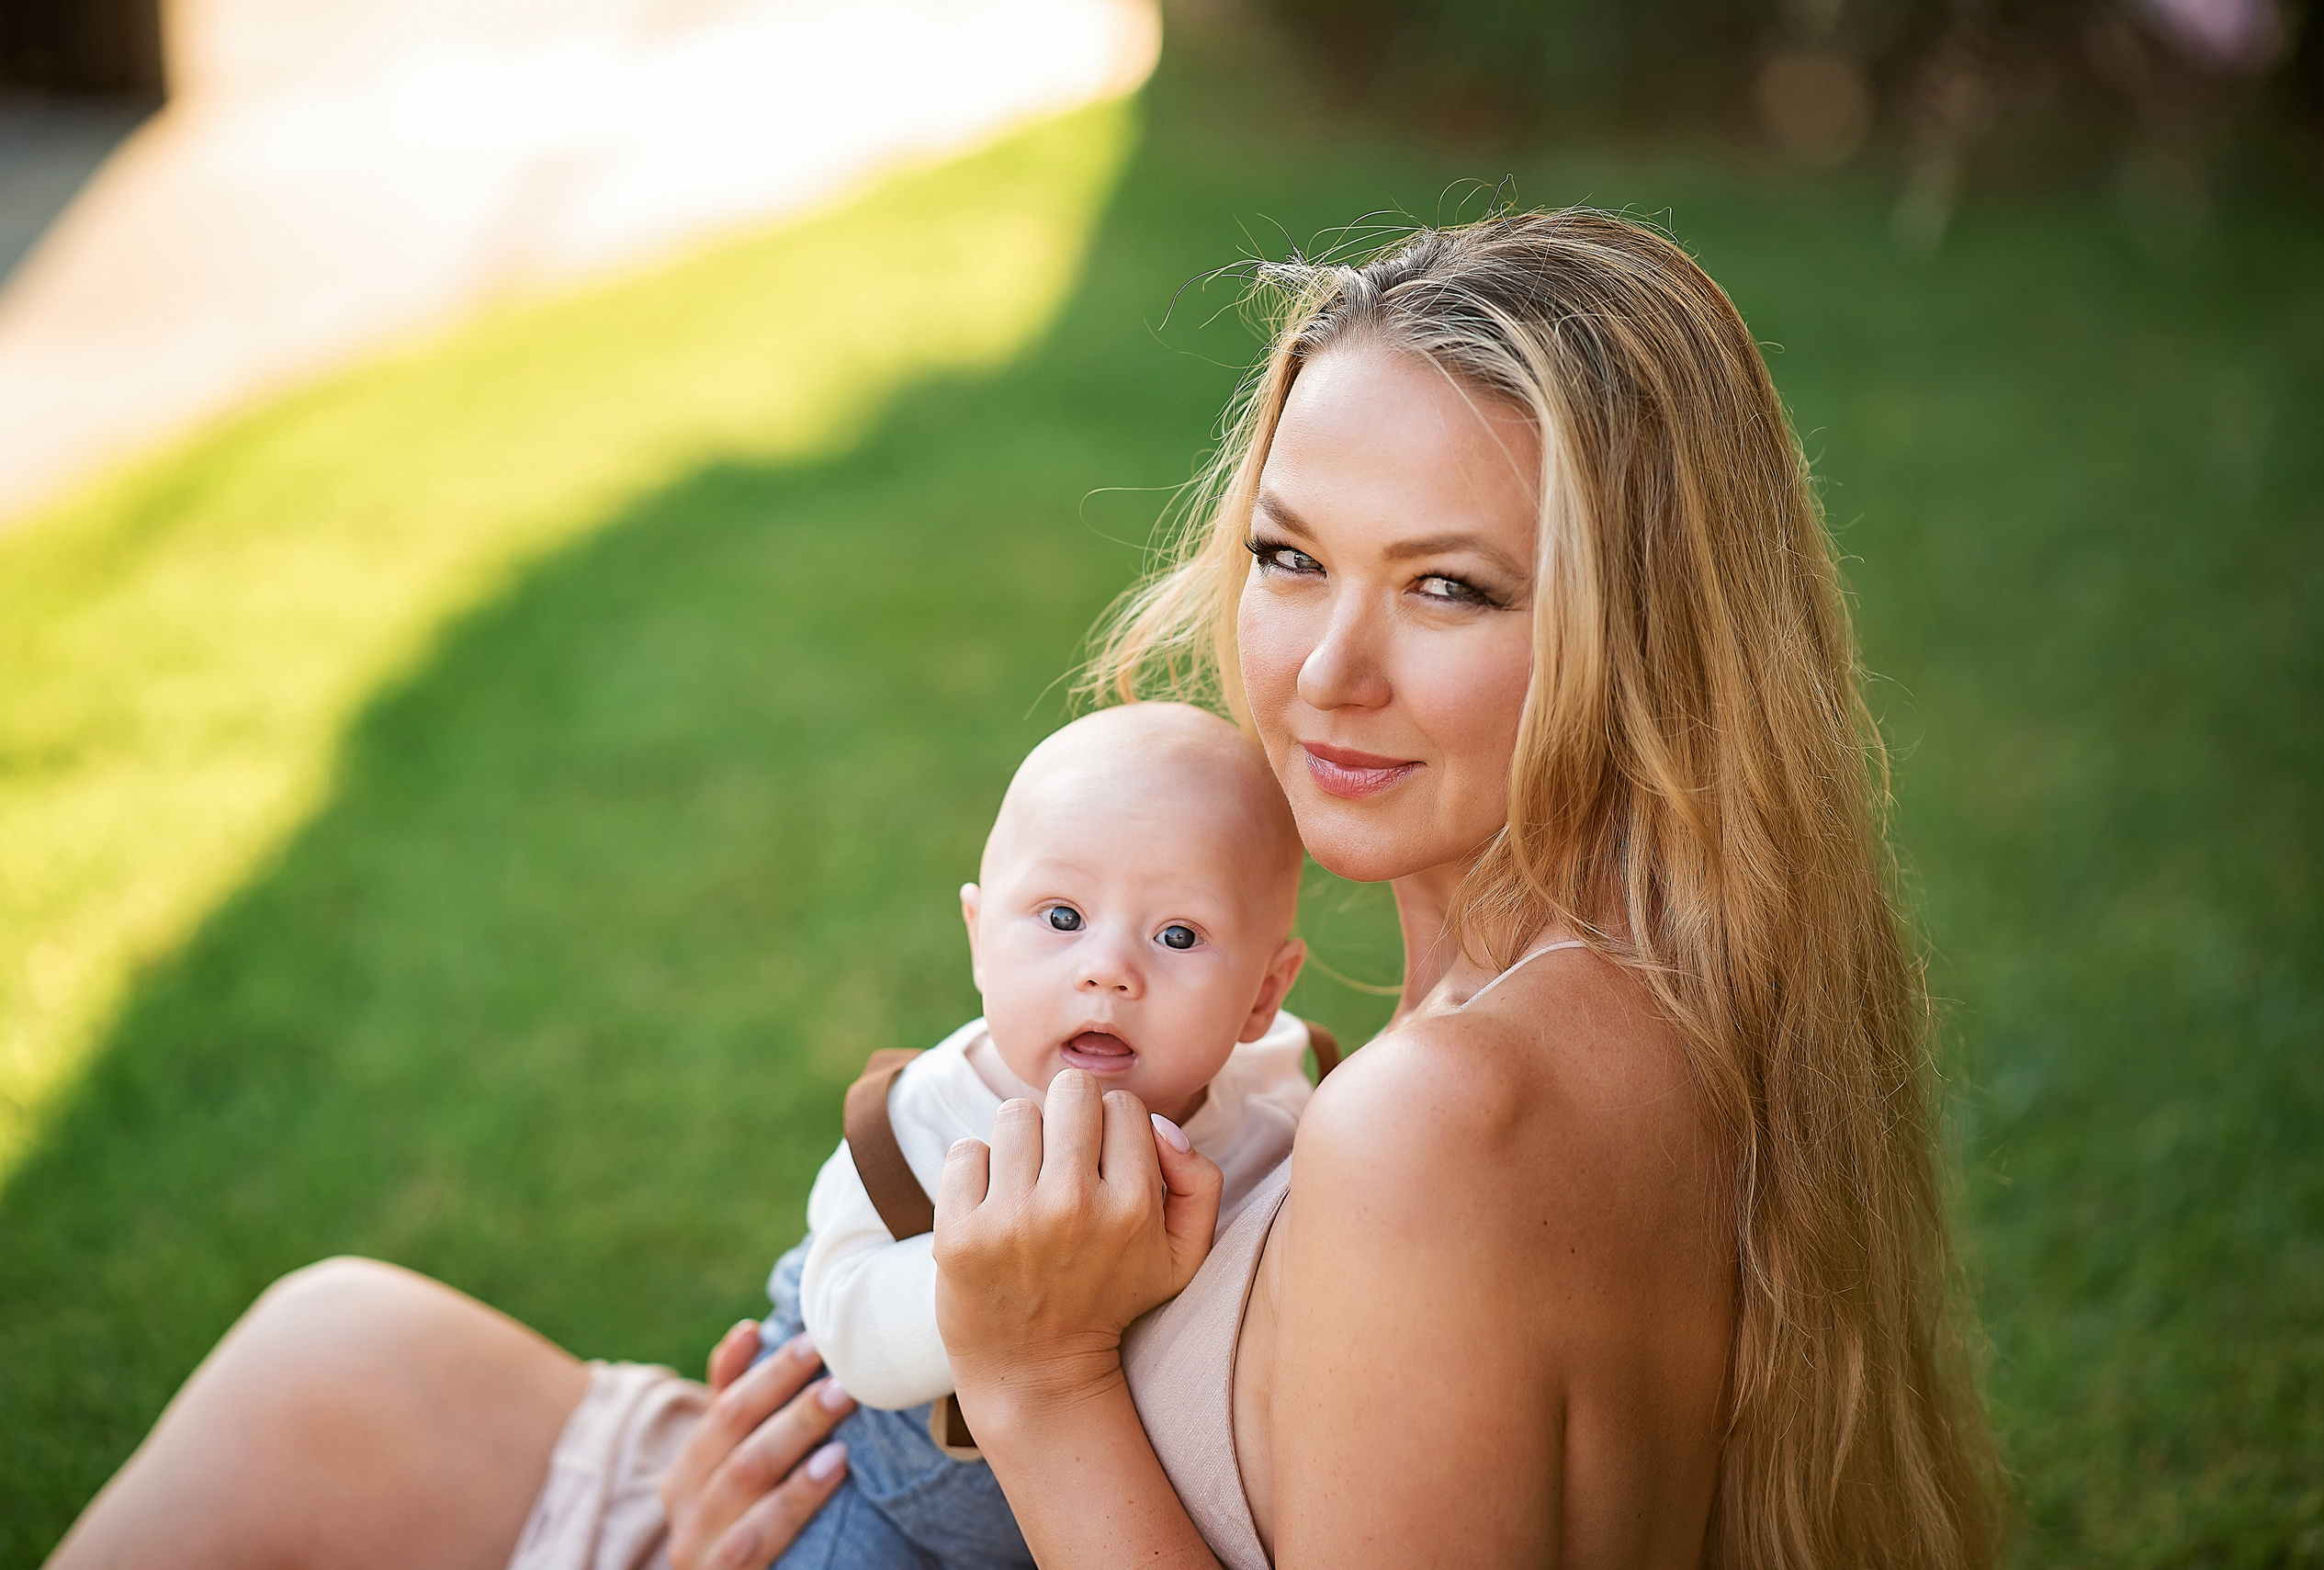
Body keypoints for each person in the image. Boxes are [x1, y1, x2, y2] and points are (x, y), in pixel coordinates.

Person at [45, 208, 2000, 1570]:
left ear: (1637, 627)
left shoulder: (1434, 1117)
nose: (1323, 667)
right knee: (334, 1360)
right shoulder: (1653, 1009)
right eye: (1291, 554)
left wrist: (1036, 1363)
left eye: (1448, 586)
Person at [760, 701, 1314, 1570]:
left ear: (1261, 995)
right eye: (1061, 918)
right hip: (876, 1479)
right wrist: (1004, 1273)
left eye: (1178, 934)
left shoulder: (1273, 1122)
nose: (1107, 969)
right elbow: (848, 1325)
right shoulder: (921, 1117)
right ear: (980, 940)